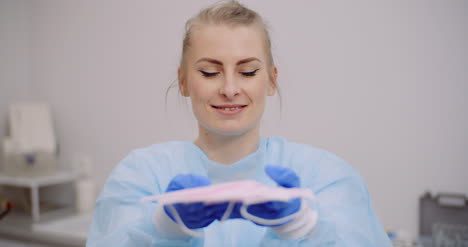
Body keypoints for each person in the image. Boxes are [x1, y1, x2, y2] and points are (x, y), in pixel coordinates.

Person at [86, 1, 392, 246]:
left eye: (247, 72)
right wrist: (164, 229)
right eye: (209, 72)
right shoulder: (140, 176)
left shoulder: (326, 177)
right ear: (183, 81)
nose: (230, 89)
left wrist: (306, 228)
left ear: (271, 80)